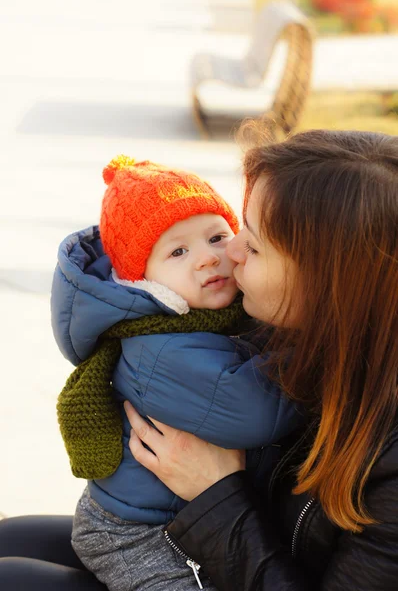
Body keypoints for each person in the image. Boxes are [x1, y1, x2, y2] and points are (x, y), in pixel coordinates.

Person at [0, 128, 396, 591]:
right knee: (13, 540)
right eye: (240, 226)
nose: (228, 251)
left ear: (330, 282)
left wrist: (216, 495)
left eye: (253, 243)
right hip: (213, 535)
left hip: (232, 545)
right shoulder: (294, 333)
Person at [51, 156, 303, 591]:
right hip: (133, 533)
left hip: (173, 513)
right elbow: (255, 412)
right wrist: (307, 352)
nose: (208, 258)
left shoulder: (204, 321)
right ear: (143, 281)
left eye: (217, 236)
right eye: (178, 251)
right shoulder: (163, 348)